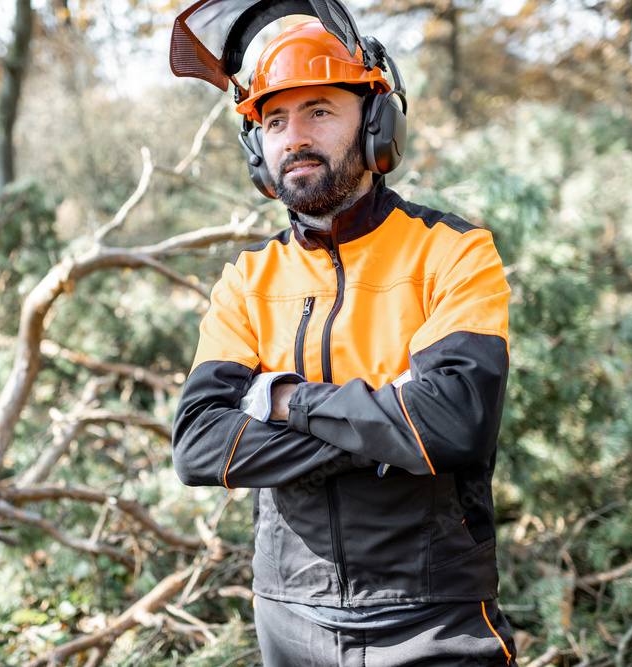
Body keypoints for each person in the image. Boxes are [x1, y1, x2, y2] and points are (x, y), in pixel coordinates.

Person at [171, 18, 518, 667]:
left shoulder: (453, 253)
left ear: (378, 121)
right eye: (274, 121)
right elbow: (198, 445)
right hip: (288, 615)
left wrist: (283, 400)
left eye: (319, 110)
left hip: (433, 614)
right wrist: (383, 431)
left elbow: (450, 425)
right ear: (257, 151)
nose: (294, 137)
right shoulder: (246, 282)